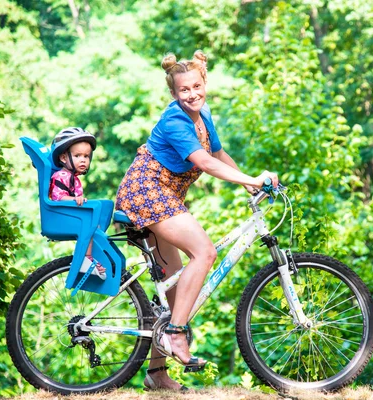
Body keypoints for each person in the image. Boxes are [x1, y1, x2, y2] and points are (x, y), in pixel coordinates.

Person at [115, 50, 278, 391]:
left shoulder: (203, 115)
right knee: (204, 253)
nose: (191, 94)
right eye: (183, 90)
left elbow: (218, 154)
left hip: (164, 196)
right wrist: (252, 178)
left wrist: (251, 182)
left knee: (175, 290)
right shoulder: (175, 120)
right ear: (173, 94)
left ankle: (157, 374)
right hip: (147, 193)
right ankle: (176, 334)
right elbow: (204, 163)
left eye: (196, 87)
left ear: (205, 84)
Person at [50, 127, 107, 280]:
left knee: (99, 215)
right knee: (89, 224)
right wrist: (74, 200)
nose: (83, 160)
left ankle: (92, 256)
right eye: (77, 155)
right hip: (60, 215)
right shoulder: (61, 175)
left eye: (86, 156)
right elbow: (58, 197)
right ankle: (85, 258)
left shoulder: (74, 178)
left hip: (69, 214)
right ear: (63, 158)